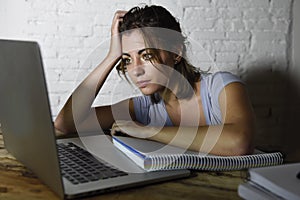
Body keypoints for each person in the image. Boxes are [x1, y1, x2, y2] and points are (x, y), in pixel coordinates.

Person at [54, 5, 255, 156]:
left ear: (176, 52)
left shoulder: (222, 87)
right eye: (127, 60)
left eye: (147, 55)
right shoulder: (142, 108)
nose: (136, 70)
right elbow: (65, 124)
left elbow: (238, 142)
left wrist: (148, 131)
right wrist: (112, 56)